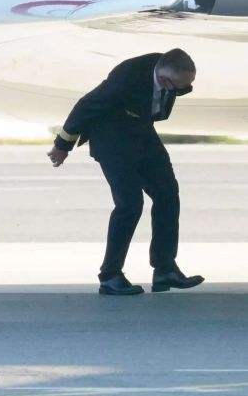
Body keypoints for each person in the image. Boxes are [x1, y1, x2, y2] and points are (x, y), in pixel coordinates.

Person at [47, 49, 205, 295]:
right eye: (181, 89)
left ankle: (164, 269)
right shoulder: (126, 78)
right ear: (165, 81)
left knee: (167, 193)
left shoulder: (167, 66)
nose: (183, 92)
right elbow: (87, 105)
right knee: (130, 204)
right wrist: (62, 145)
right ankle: (110, 276)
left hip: (140, 131)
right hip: (111, 138)